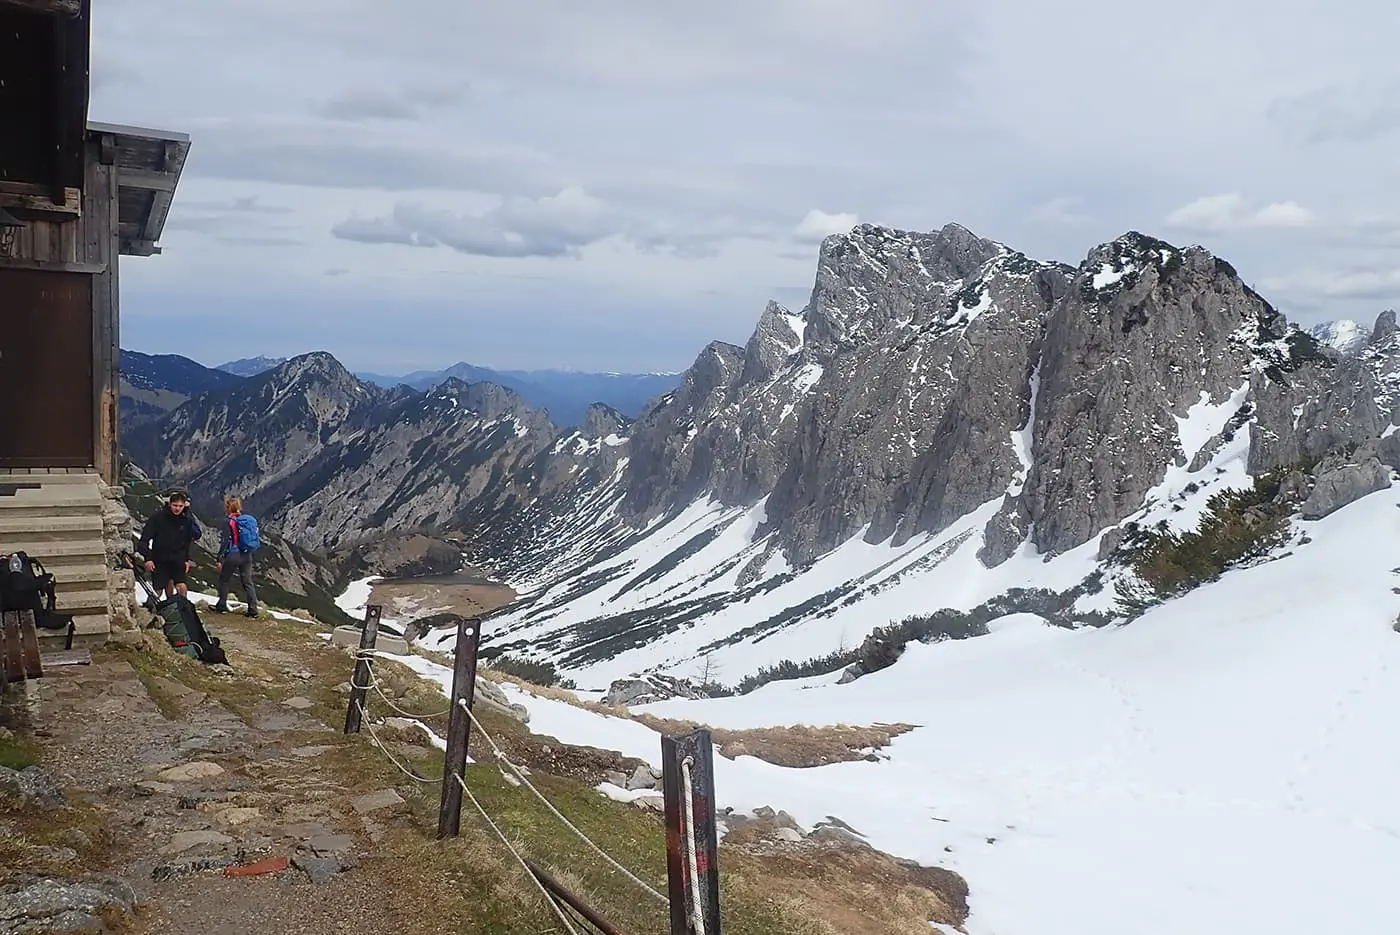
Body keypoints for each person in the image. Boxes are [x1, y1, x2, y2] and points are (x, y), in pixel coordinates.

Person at [137, 489, 202, 600]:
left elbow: (187, 541)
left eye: (180, 506)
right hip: (160, 559)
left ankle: (182, 609)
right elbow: (144, 540)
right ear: (169, 504)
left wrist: (186, 559)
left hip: (178, 558)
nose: (177, 508)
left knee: (181, 586)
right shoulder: (157, 518)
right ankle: (153, 610)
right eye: (175, 505)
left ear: (184, 506)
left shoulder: (186, 520)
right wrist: (148, 558)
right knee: (158, 590)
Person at [213, 496, 259, 618]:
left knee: (224, 579)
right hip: (246, 554)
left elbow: (225, 542)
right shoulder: (245, 520)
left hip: (233, 554)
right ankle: (253, 609)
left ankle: (221, 605)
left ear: (228, 507)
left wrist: (220, 559)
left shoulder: (229, 521)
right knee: (247, 582)